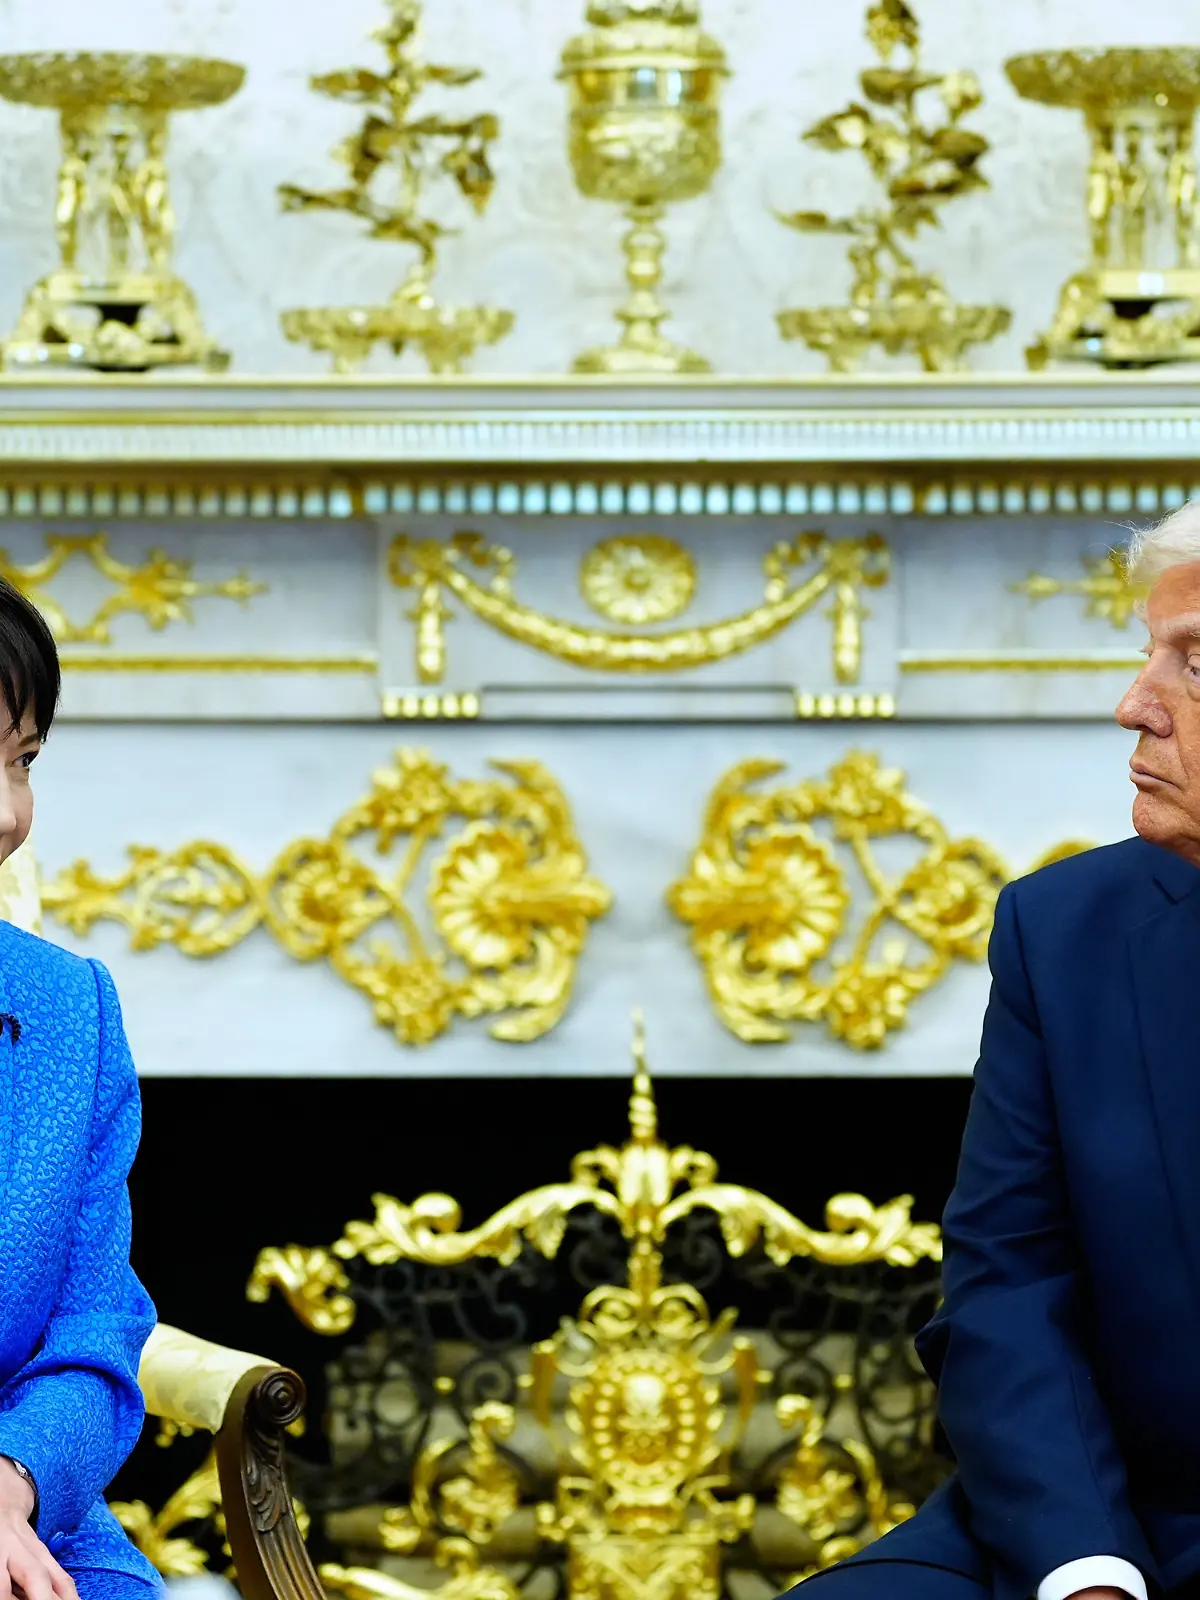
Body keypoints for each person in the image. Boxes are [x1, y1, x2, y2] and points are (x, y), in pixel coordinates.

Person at [792, 502, 1200, 1600]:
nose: (1134, 708)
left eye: (1194, 664)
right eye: (1147, 656)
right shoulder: (1065, 932)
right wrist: (1088, 1572)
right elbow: (1007, 1289)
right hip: (1090, 1522)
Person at [0, 578, 159, 1599]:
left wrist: (10, 1482)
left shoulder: (71, 1011)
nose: (9, 815)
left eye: (22, 762)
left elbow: (95, 1333)